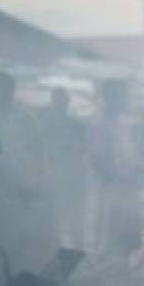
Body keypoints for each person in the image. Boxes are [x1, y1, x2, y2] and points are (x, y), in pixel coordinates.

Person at [0, 71, 50, 277]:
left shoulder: (25, 119)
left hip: (22, 189)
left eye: (4, 88)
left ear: (11, 90)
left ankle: (19, 279)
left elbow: (39, 154)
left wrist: (38, 184)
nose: (0, 92)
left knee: (21, 239)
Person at [87, 78, 141, 257]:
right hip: (110, 191)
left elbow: (127, 155)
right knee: (109, 237)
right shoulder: (100, 124)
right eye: (123, 96)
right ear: (111, 98)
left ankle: (121, 272)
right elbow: (98, 160)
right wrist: (118, 178)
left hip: (125, 188)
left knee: (125, 239)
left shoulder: (122, 123)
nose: (126, 100)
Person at [39, 88, 88, 251]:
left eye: (63, 102)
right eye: (59, 102)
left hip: (72, 177)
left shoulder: (75, 125)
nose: (61, 105)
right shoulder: (46, 125)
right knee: (57, 217)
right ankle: (59, 248)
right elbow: (44, 151)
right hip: (57, 176)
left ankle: (76, 249)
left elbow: (82, 149)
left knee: (75, 218)